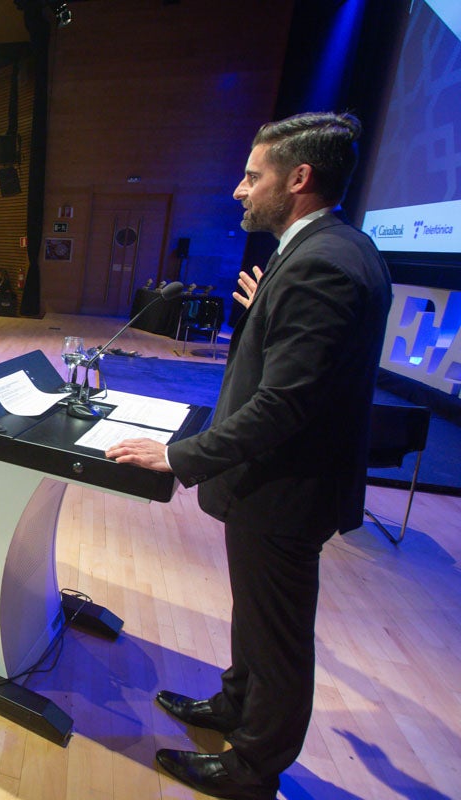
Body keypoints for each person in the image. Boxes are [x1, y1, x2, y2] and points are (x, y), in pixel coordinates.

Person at [107, 112, 392, 800]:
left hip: (286, 488)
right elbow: (298, 366)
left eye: (251, 175)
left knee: (280, 636)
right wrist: (268, 310)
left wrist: (181, 456)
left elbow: (284, 406)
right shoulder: (325, 251)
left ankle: (252, 767)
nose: (239, 190)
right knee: (258, 617)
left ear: (298, 179)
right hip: (277, 485)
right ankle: (235, 704)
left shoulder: (322, 264)